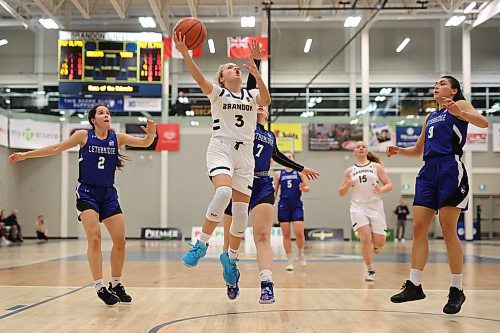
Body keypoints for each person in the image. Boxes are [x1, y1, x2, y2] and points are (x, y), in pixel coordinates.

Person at [9, 104, 157, 306]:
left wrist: (152, 134)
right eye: (101, 113)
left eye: (108, 113)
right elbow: (56, 148)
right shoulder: (83, 136)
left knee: (120, 241)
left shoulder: (117, 138)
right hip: (87, 193)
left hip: (109, 194)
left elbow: (145, 142)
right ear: (93, 119)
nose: (106, 115)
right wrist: (26, 155)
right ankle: (99, 286)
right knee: (94, 239)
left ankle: (116, 284)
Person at [222, 39, 320, 303]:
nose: (261, 106)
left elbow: (277, 157)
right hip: (238, 183)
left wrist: (301, 168)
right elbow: (253, 89)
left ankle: (267, 283)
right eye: (258, 105)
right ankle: (232, 275)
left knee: (262, 235)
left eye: (264, 106)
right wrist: (257, 63)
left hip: (263, 184)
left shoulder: (270, 135)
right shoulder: (242, 126)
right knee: (233, 240)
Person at [173, 33, 272, 290]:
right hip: (221, 148)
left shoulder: (250, 95)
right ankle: (202, 244)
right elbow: (197, 78)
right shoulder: (217, 94)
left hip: (245, 155)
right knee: (224, 192)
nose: (235, 68)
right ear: (222, 78)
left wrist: (258, 72)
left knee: (240, 215)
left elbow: (267, 100)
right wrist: (185, 53)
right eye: (229, 67)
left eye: (237, 67)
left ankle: (231, 259)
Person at [387, 75, 488, 314]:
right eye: (435, 84)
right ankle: (414, 284)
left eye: (442, 83)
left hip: (450, 169)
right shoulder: (430, 117)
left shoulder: (460, 105)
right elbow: (418, 150)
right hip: (428, 171)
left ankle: (457, 289)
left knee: (447, 229)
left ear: (453, 91)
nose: (436, 86)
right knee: (418, 228)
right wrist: (400, 150)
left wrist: (460, 112)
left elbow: (483, 123)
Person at [338, 141, 392, 281]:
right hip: (358, 207)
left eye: (363, 146)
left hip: (375, 206)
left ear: (367, 150)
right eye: (358, 147)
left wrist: (381, 190)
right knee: (365, 237)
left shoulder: (376, 167)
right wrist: (347, 185)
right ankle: (370, 269)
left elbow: (389, 184)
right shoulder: (349, 171)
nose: (361, 148)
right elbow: (341, 192)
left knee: (379, 242)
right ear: (354, 152)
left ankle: (376, 248)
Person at [274, 153, 313, 272]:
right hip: (283, 205)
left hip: (296, 205)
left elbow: (307, 187)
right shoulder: (278, 174)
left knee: (299, 233)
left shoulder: (300, 172)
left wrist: (303, 188)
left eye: (290, 156)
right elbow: (275, 190)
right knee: (286, 235)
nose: (288, 158)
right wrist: (271, 203)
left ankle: (300, 253)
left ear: (294, 159)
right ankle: (289, 261)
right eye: (286, 157)